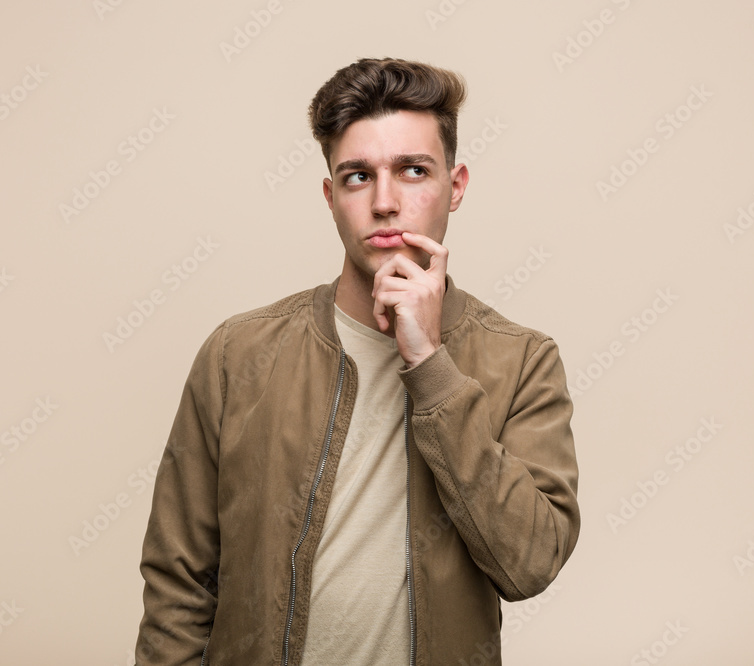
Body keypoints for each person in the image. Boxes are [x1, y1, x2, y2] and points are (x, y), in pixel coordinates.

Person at [134, 57, 579, 666]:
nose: (385, 202)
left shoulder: (522, 360)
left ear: (456, 186)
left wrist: (430, 365)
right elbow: (178, 583)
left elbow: (529, 563)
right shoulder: (238, 355)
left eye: (413, 170)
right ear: (330, 195)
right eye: (358, 177)